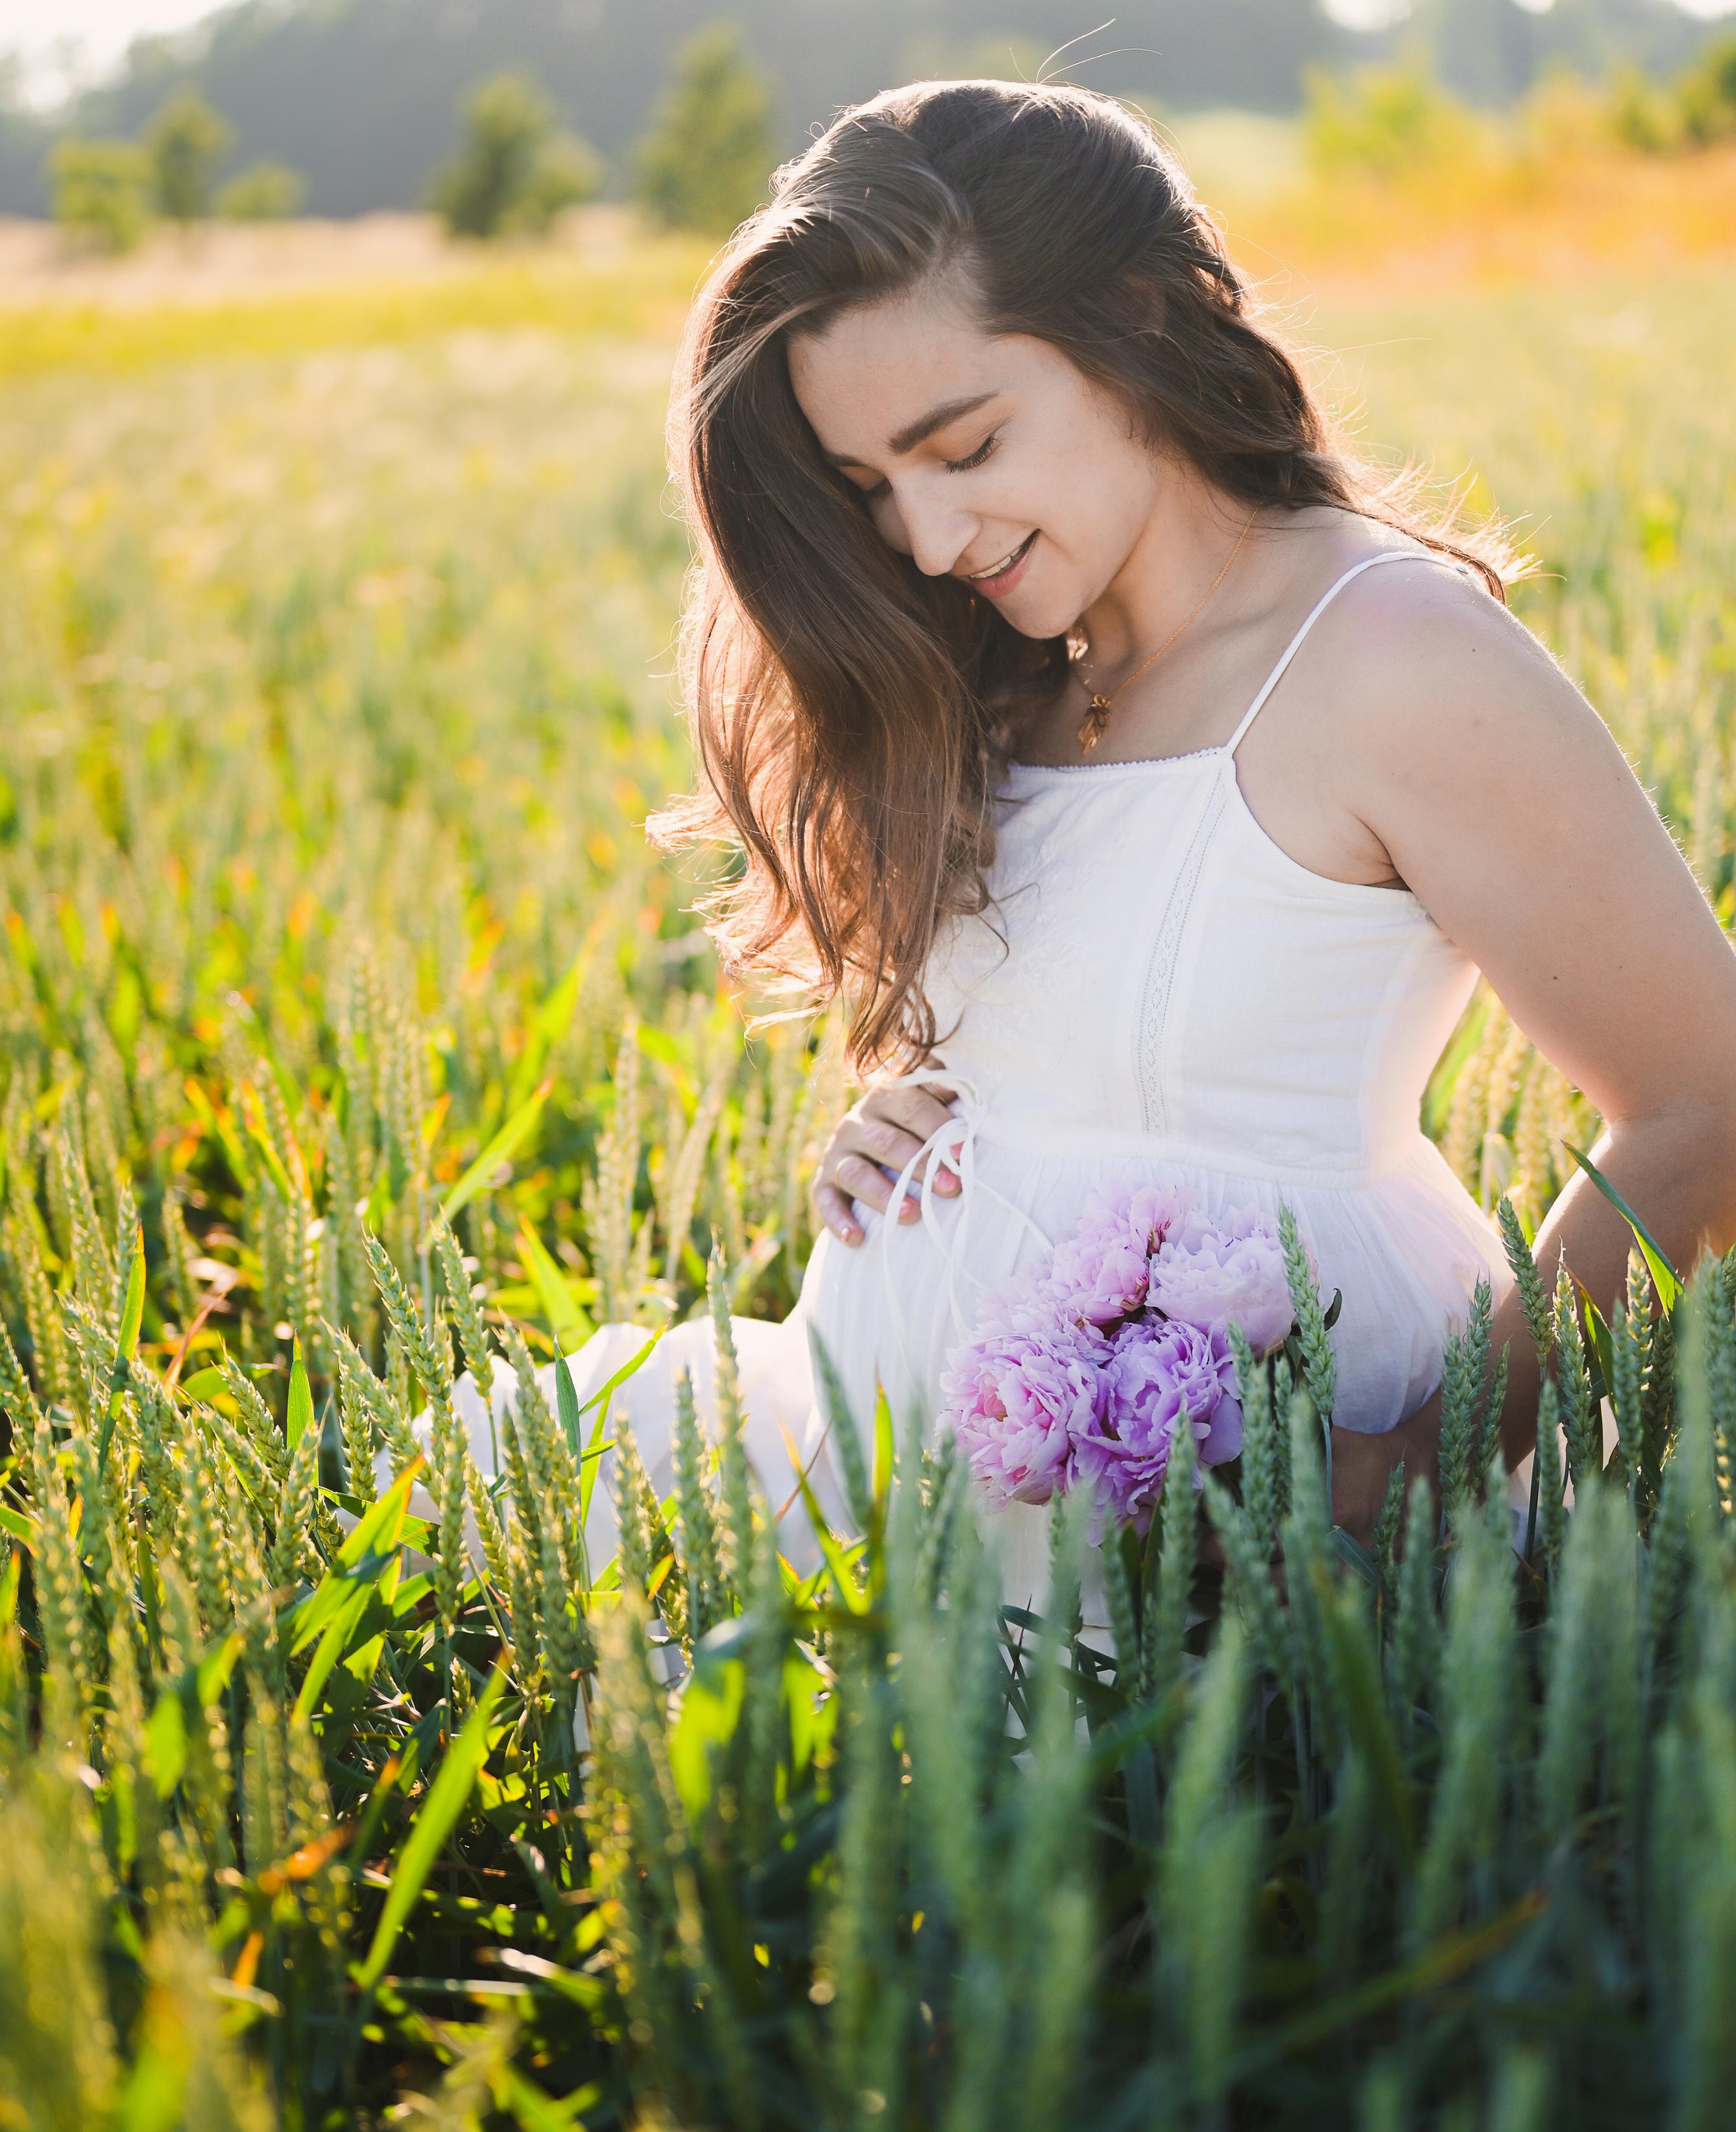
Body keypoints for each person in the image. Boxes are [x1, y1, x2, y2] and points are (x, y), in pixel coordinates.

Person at [454, 77, 1736, 1583]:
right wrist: (928, 1127)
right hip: (880, 1470)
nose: (924, 542)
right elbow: (1104, 1047)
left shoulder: (1389, 651)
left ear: (1135, 323)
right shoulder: (1019, 672)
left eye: (964, 446)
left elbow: (1702, 1097)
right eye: (869, 488)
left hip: (1234, 1528)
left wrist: (1409, 1466)